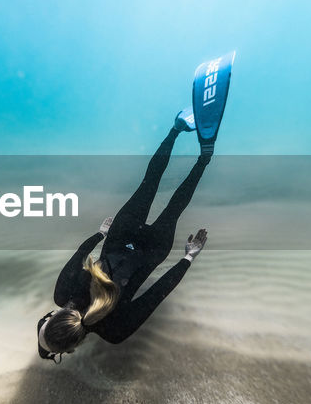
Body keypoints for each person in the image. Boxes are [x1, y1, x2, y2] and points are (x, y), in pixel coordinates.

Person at [37, 111, 211, 361]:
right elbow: (80, 254)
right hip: (120, 237)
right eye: (46, 320)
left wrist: (188, 258)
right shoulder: (62, 294)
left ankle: (204, 158)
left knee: (175, 207)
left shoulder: (114, 332)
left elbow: (157, 294)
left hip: (151, 252)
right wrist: (100, 234)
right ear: (53, 316)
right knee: (149, 184)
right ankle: (176, 129)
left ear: (73, 348)